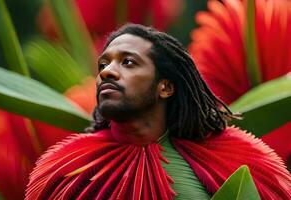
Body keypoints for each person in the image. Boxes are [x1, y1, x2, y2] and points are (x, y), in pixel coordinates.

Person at [25, 24, 291, 199]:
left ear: (165, 87)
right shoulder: (67, 167)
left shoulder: (238, 162)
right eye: (103, 63)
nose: (106, 71)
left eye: (128, 62)